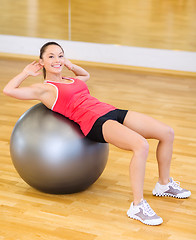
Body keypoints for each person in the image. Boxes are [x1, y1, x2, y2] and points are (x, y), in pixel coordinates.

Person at [3, 41, 191, 226]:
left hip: (109, 111)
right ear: (41, 62)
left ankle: (164, 184)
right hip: (94, 122)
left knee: (167, 132)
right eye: (51, 56)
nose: (57, 60)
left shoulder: (72, 79)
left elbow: (86, 75)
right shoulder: (45, 89)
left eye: (60, 55)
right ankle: (138, 206)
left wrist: (70, 65)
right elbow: (9, 90)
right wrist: (25, 73)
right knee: (140, 145)